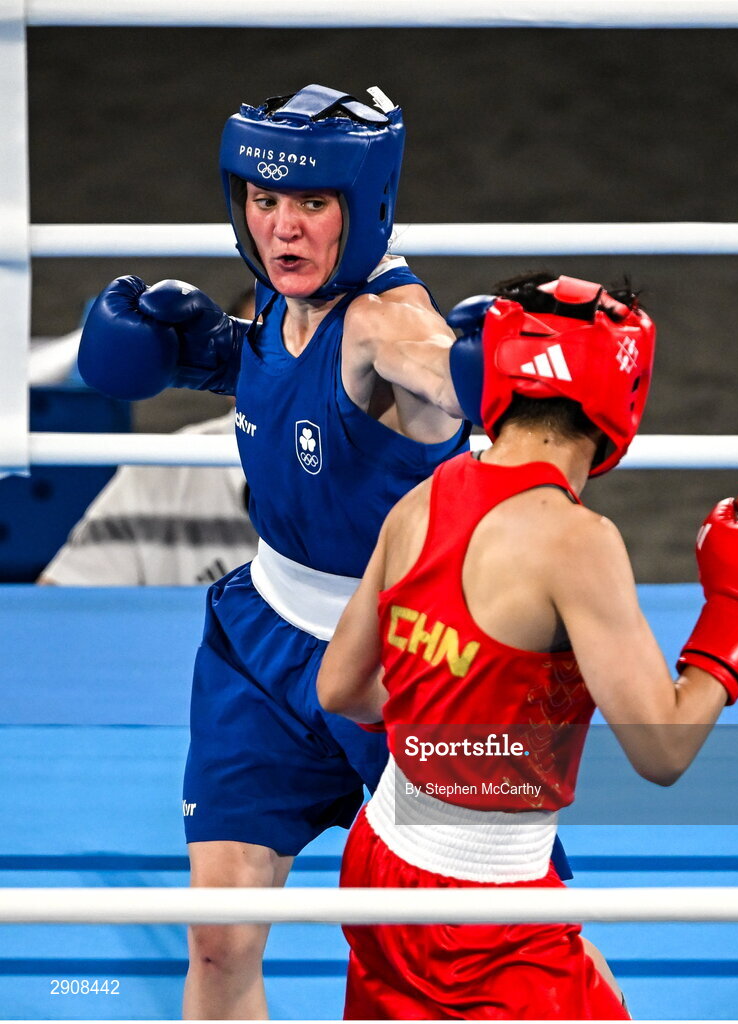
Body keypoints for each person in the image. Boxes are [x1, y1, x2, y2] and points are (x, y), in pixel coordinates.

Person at [75, 83, 504, 1019]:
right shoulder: (278, 305)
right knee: (220, 941)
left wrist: (498, 373)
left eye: (312, 204)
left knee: (470, 948)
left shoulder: (389, 323)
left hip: (406, 665)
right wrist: (208, 353)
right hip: (262, 647)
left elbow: (440, 371)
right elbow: (285, 377)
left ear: (365, 207)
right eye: (265, 202)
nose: (284, 229)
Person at [316, 272, 738, 1019]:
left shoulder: (423, 496)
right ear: (622, 392)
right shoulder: (577, 543)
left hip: (380, 863)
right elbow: (662, 751)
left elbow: (340, 688)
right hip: (486, 911)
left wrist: (452, 709)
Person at [40, 291, 258, 587]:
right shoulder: (166, 468)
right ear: (233, 370)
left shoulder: (342, 471)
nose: (290, 375)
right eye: (262, 353)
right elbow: (58, 606)